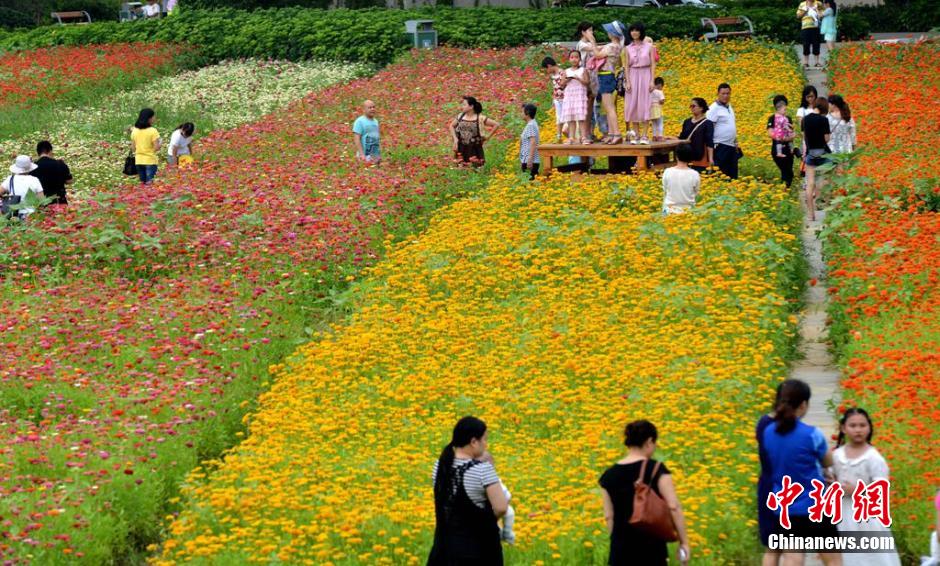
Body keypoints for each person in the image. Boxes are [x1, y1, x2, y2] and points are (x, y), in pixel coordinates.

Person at [762, 379, 842, 566]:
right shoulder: (812, 434)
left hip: (784, 504)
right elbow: (828, 461)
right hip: (815, 504)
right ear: (803, 405)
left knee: (792, 557)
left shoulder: (768, 432)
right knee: (832, 559)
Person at [599, 420, 691, 566]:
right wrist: (684, 542)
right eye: (655, 444)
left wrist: (617, 542)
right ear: (649, 441)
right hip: (651, 550)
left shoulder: (608, 475)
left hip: (620, 553)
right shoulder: (656, 469)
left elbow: (608, 516)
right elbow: (674, 506)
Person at [427, 416, 507, 565]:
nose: (486, 444)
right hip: (477, 551)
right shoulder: (482, 470)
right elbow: (501, 507)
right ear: (473, 442)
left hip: (443, 549)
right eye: (484, 440)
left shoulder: (439, 466)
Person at [833, 408, 902, 566]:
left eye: (862, 425)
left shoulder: (873, 457)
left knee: (872, 557)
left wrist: (857, 489)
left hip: (867, 515)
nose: (858, 430)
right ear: (843, 428)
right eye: (853, 425)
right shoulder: (837, 455)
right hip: (843, 514)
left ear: (869, 428)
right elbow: (829, 478)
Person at [757, 383, 783, 566]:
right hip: (791, 489)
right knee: (793, 549)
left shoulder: (763, 423)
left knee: (772, 548)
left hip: (767, 486)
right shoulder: (799, 431)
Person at [622, 22, 656, 144]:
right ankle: (636, 135)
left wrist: (652, 80)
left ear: (641, 32)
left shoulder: (649, 47)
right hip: (633, 74)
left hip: (645, 74)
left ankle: (645, 135)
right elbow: (626, 66)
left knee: (645, 103)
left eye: (637, 30)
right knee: (633, 104)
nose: (634, 32)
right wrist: (628, 81)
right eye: (632, 30)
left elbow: (653, 64)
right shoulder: (627, 48)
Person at [592, 20, 625, 144]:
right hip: (608, 76)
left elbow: (597, 55)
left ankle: (616, 133)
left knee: (609, 108)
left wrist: (592, 40)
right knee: (608, 107)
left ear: (612, 33)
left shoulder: (612, 46)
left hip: (605, 77)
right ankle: (612, 134)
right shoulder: (617, 46)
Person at [803, 97, 831, 221]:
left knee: (810, 184)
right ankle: (824, 205)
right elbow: (826, 139)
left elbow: (805, 137)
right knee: (826, 180)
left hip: (811, 155)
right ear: (824, 108)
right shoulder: (824, 119)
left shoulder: (805, 119)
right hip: (823, 154)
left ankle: (810, 214)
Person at [449, 96, 499, 167]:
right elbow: (451, 126)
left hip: (475, 148)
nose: (462, 106)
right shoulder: (460, 116)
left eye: (464, 105)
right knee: (461, 168)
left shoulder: (480, 118)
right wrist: (455, 139)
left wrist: (488, 137)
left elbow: (496, 125)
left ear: (471, 106)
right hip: (461, 147)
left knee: (475, 168)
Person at [478, 451, 515, 545]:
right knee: (509, 511)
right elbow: (507, 496)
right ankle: (507, 532)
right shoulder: (494, 480)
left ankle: (502, 532)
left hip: (482, 510)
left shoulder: (469, 479)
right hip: (491, 511)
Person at [706, 83, 740, 179]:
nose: (726, 96)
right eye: (723, 93)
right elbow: (709, 130)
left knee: (733, 174)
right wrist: (710, 153)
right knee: (721, 174)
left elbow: (731, 125)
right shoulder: (713, 109)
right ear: (718, 94)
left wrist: (735, 141)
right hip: (720, 146)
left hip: (731, 146)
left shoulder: (729, 107)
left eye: (728, 93)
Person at [575, 22, 602, 141]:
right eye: (589, 30)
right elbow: (595, 49)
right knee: (586, 107)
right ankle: (584, 134)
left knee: (591, 106)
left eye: (592, 30)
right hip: (585, 77)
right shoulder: (581, 44)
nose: (592, 33)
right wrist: (593, 40)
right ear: (583, 32)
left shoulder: (588, 44)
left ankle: (589, 133)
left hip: (593, 76)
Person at [560, 51, 591, 145]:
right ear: (569, 59)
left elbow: (587, 82)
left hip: (579, 96)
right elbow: (561, 85)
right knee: (571, 117)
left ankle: (583, 137)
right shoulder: (566, 71)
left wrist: (578, 78)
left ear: (580, 59)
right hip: (569, 96)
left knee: (581, 118)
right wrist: (567, 80)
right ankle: (571, 137)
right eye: (572, 57)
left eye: (576, 57)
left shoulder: (583, 70)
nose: (574, 59)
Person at [767, 95, 796, 188]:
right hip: (777, 148)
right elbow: (770, 133)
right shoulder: (772, 118)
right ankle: (784, 189)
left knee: (789, 172)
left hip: (788, 149)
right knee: (785, 170)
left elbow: (792, 132)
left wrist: (790, 136)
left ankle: (786, 190)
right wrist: (781, 137)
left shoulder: (788, 118)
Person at [678, 97, 714, 173]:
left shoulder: (708, 123)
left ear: (701, 108)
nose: (691, 108)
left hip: (701, 159)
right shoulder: (687, 122)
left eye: (693, 106)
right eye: (690, 106)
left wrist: (710, 159)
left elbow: (709, 142)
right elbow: (682, 138)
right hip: (687, 158)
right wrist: (668, 138)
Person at [662, 144, 700, 215]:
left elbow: (665, 190)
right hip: (688, 212)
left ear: (676, 156)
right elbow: (696, 193)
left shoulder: (667, 172)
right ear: (690, 157)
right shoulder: (695, 174)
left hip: (669, 211)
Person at [31, 140, 72, 205]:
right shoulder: (60, 164)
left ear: (38, 153)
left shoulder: (33, 167)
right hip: (59, 200)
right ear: (50, 151)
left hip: (42, 202)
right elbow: (69, 181)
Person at [130, 108, 161, 186]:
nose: (155, 118)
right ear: (149, 118)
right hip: (150, 160)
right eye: (154, 117)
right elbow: (156, 147)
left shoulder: (135, 130)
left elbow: (133, 148)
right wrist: (160, 144)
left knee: (143, 184)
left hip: (139, 161)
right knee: (149, 184)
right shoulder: (153, 131)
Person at [541, 57, 567, 143]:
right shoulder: (553, 76)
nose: (546, 72)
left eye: (546, 69)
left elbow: (563, 85)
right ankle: (558, 137)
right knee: (558, 118)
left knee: (566, 117)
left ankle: (571, 136)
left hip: (565, 98)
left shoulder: (562, 72)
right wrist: (553, 99)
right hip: (557, 99)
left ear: (549, 66)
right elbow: (554, 88)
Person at [352, 100, 381, 165]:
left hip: (375, 155)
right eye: (369, 108)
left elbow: (377, 138)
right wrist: (362, 154)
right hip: (365, 155)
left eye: (373, 107)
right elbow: (357, 139)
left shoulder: (375, 121)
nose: (372, 109)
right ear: (364, 110)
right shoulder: (359, 121)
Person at [797, 0, 823, 68]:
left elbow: (821, 15)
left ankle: (817, 62)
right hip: (805, 27)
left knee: (816, 44)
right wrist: (805, 10)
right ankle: (806, 63)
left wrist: (817, 9)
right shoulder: (802, 4)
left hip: (816, 27)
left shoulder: (818, 3)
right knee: (806, 44)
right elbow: (798, 16)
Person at [519, 103, 541, 180]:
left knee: (529, 183)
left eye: (522, 112)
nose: (521, 114)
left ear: (527, 113)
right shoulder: (531, 124)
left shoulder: (531, 125)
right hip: (528, 159)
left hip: (530, 160)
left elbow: (533, 142)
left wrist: (530, 159)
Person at [650, 77, 665, 142]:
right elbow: (662, 101)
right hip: (657, 109)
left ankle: (654, 136)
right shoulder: (660, 92)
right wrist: (661, 102)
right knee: (660, 123)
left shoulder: (651, 91)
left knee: (654, 123)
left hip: (651, 109)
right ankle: (660, 136)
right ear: (659, 84)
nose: (662, 88)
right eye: (662, 86)